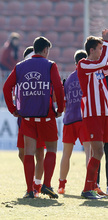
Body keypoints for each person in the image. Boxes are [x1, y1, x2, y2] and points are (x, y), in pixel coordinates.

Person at [3, 36, 64, 199]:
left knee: (28, 153)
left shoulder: (20, 66)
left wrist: (13, 109)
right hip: (47, 116)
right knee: (50, 149)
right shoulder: (50, 65)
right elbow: (58, 87)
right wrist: (60, 109)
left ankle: (30, 190)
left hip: (27, 118)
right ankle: (47, 185)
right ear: (45, 50)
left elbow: (6, 87)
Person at [77, 30, 108, 199]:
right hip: (93, 113)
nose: (102, 51)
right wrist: (107, 41)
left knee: (100, 150)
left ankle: (94, 186)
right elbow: (104, 62)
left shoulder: (99, 67)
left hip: (103, 113)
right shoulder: (83, 64)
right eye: (100, 48)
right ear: (91, 50)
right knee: (97, 151)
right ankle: (86, 189)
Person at [58, 50, 92, 195]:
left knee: (66, 154)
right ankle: (90, 185)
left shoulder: (69, 79)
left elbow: (64, 103)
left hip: (69, 119)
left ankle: (61, 185)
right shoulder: (88, 75)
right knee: (89, 153)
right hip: (84, 119)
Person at [15, 46, 44, 198]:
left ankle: (36, 186)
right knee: (22, 153)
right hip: (23, 118)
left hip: (38, 117)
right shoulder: (21, 72)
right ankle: (32, 182)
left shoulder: (42, 71)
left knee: (39, 153)